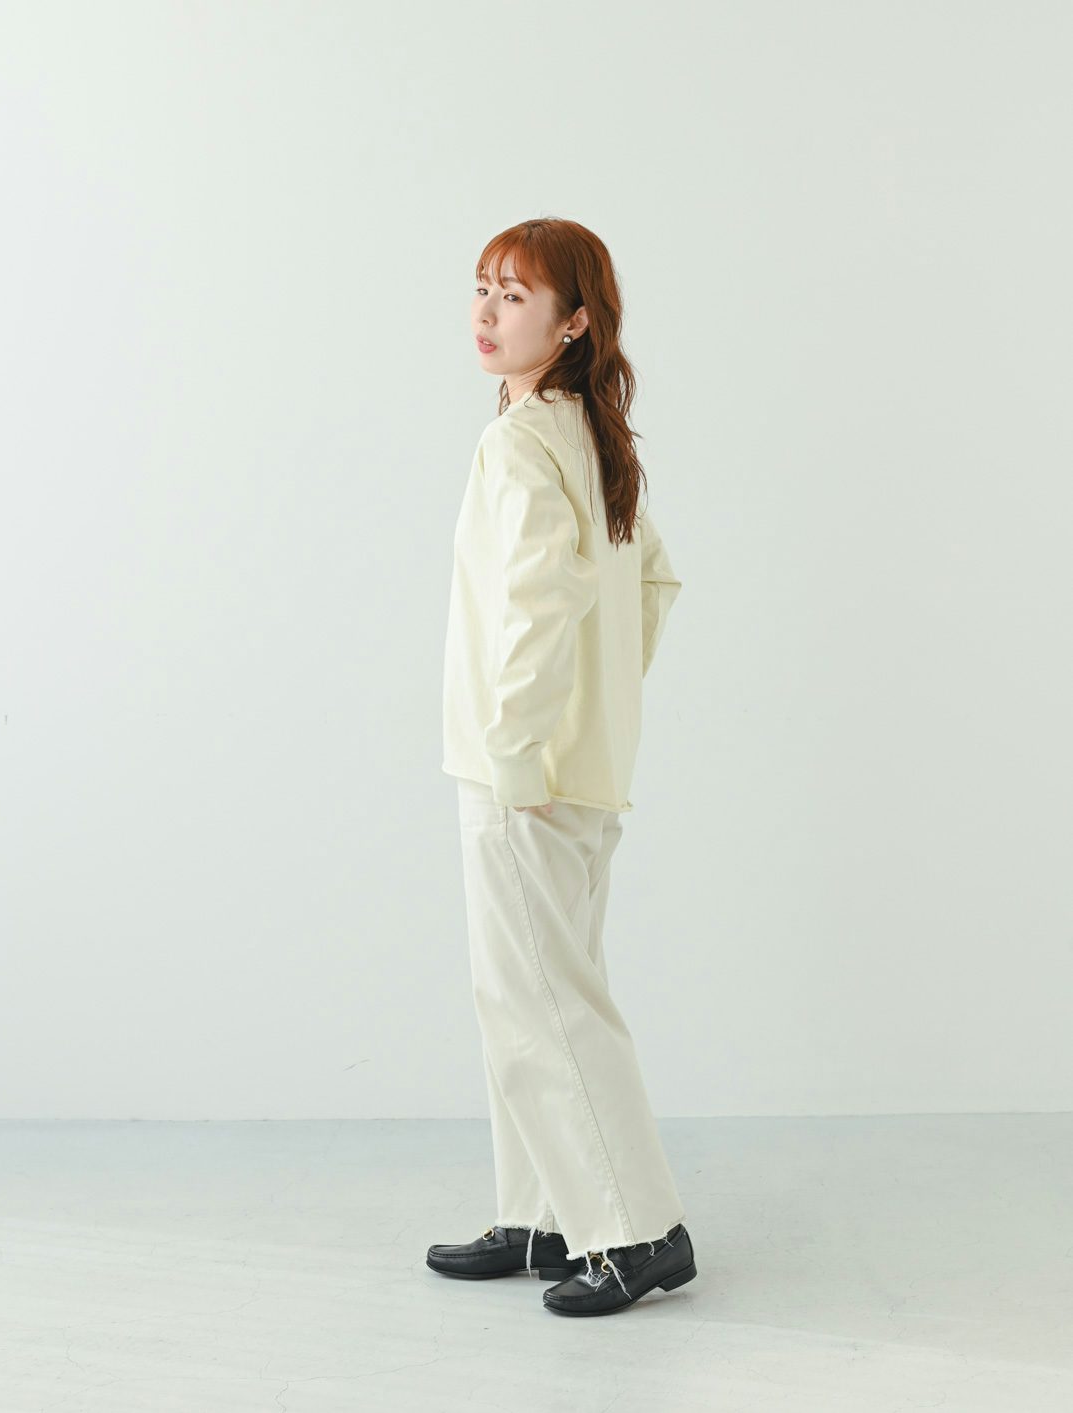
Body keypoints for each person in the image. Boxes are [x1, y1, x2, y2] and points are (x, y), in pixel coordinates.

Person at [429, 217, 696, 1316]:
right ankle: (545, 1213)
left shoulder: (524, 443)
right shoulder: (590, 435)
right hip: (577, 767)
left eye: (517, 295)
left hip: (523, 773)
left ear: (574, 321)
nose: (488, 313)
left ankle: (638, 1232)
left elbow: (538, 601)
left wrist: (516, 743)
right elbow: (652, 583)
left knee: (538, 999)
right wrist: (600, 710)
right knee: (536, 992)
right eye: (483, 288)